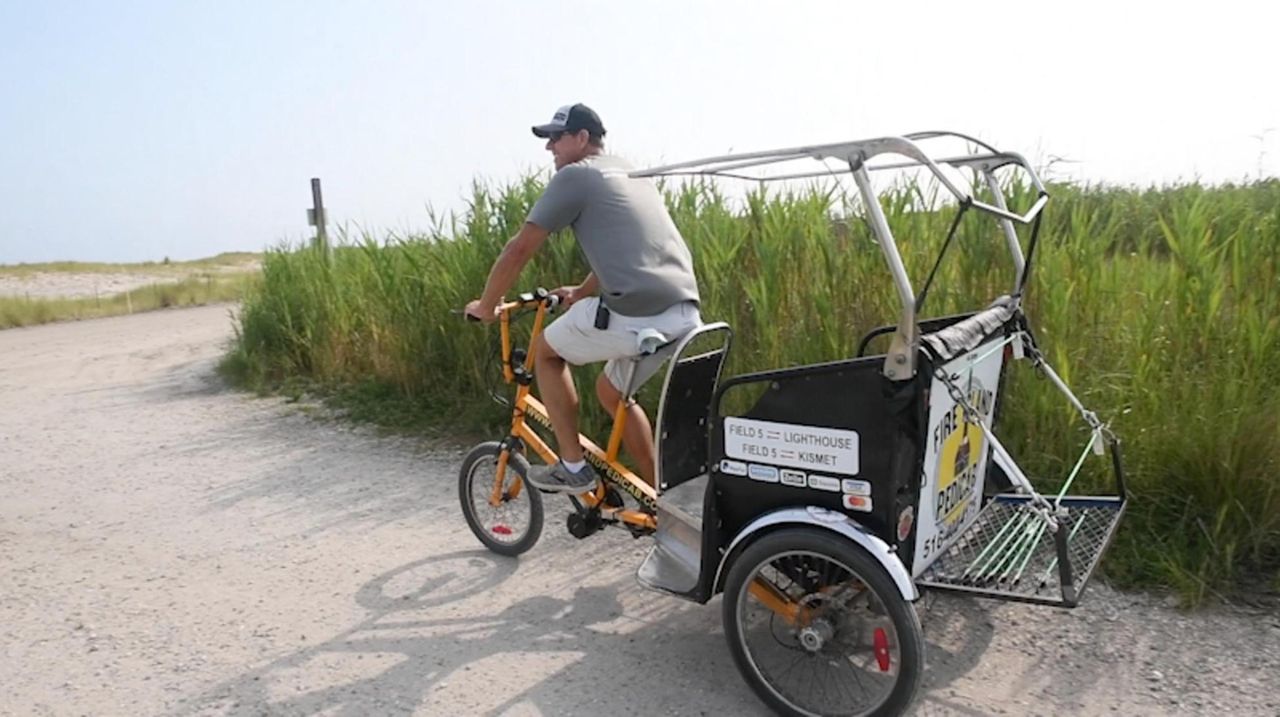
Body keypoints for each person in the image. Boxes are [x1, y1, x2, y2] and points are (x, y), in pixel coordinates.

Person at [464, 103, 702, 494]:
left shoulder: (576, 177)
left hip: (639, 316)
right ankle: (663, 497)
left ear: (581, 139)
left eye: (556, 138)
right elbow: (629, 251)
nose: (549, 148)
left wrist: (487, 306)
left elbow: (518, 250)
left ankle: (573, 468)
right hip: (683, 313)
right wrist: (580, 292)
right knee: (612, 394)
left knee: (545, 353)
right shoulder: (627, 170)